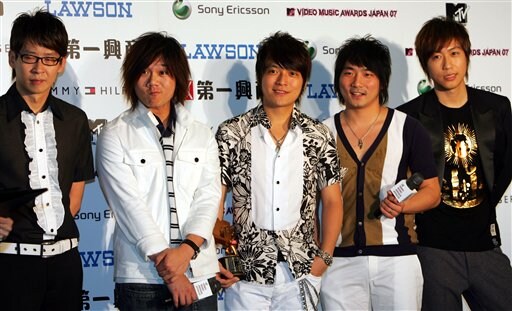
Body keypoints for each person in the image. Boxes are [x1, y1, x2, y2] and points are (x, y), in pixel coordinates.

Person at [215, 31, 343, 310]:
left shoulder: (319, 135)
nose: (282, 81)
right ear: (260, 77)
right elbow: (216, 199)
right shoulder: (231, 132)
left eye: (292, 73)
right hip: (244, 275)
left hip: (302, 271)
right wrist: (220, 259)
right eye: (274, 71)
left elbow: (333, 201)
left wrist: (324, 260)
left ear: (303, 81)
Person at [96, 32, 221, 311]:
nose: (153, 81)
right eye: (144, 71)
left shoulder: (201, 133)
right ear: (131, 78)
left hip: (199, 270)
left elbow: (209, 197)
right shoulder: (115, 134)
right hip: (142, 277)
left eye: (163, 71)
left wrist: (187, 250)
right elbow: (129, 206)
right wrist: (172, 271)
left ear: (177, 77)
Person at [398, 16, 512, 310]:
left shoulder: (496, 108)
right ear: (425, 65)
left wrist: (487, 208)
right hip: (434, 250)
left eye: (454, 53)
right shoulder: (408, 117)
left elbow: (505, 165)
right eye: (436, 56)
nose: (447, 65)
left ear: (467, 56)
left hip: (485, 244)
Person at [321, 35, 441, 310]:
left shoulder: (408, 128)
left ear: (382, 81)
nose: (357, 83)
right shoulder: (321, 133)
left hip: (397, 261)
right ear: (339, 79)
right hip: (338, 262)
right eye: (348, 73)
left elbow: (432, 193)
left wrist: (404, 205)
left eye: (367, 73)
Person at [0, 9, 94, 311]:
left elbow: (74, 200)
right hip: (10, 267)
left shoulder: (75, 120)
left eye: (49, 58)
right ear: (12, 58)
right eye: (29, 57)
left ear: (61, 64)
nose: (39, 68)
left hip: (65, 266)